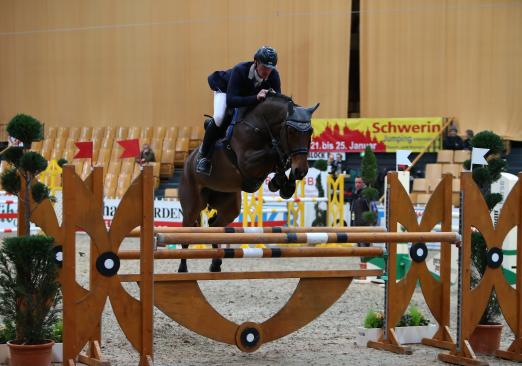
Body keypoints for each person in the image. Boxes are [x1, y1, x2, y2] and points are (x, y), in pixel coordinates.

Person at [196, 46, 281, 175]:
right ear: (256, 62)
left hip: (248, 95)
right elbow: (231, 101)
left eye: (270, 68)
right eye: (264, 66)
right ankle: (204, 155)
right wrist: (256, 98)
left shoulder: (273, 75)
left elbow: (278, 102)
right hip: (225, 90)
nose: (267, 71)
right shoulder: (240, 70)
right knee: (219, 117)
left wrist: (274, 97)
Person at [348, 176, 376, 247]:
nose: (357, 184)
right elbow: (352, 211)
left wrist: (372, 224)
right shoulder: (354, 195)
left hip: (365, 228)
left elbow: (373, 210)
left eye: (359, 182)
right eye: (356, 182)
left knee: (365, 249)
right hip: (356, 226)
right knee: (360, 249)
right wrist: (352, 224)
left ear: (363, 183)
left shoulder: (367, 194)